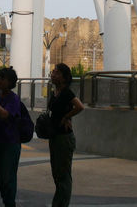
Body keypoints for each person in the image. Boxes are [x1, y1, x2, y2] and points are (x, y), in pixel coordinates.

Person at [47, 62, 84, 207]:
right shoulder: (54, 92)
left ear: (63, 77)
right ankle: (58, 202)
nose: (53, 74)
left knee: (63, 173)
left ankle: (62, 203)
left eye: (56, 72)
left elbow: (79, 106)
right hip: (54, 135)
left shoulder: (67, 93)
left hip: (64, 136)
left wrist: (66, 116)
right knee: (56, 172)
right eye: (53, 72)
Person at [0, 66, 23, 207]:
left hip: (10, 142)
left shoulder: (13, 99)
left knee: (8, 175)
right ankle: (6, 199)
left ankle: (10, 202)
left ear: (10, 82)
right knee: (0, 175)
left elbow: (4, 114)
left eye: (3, 79)